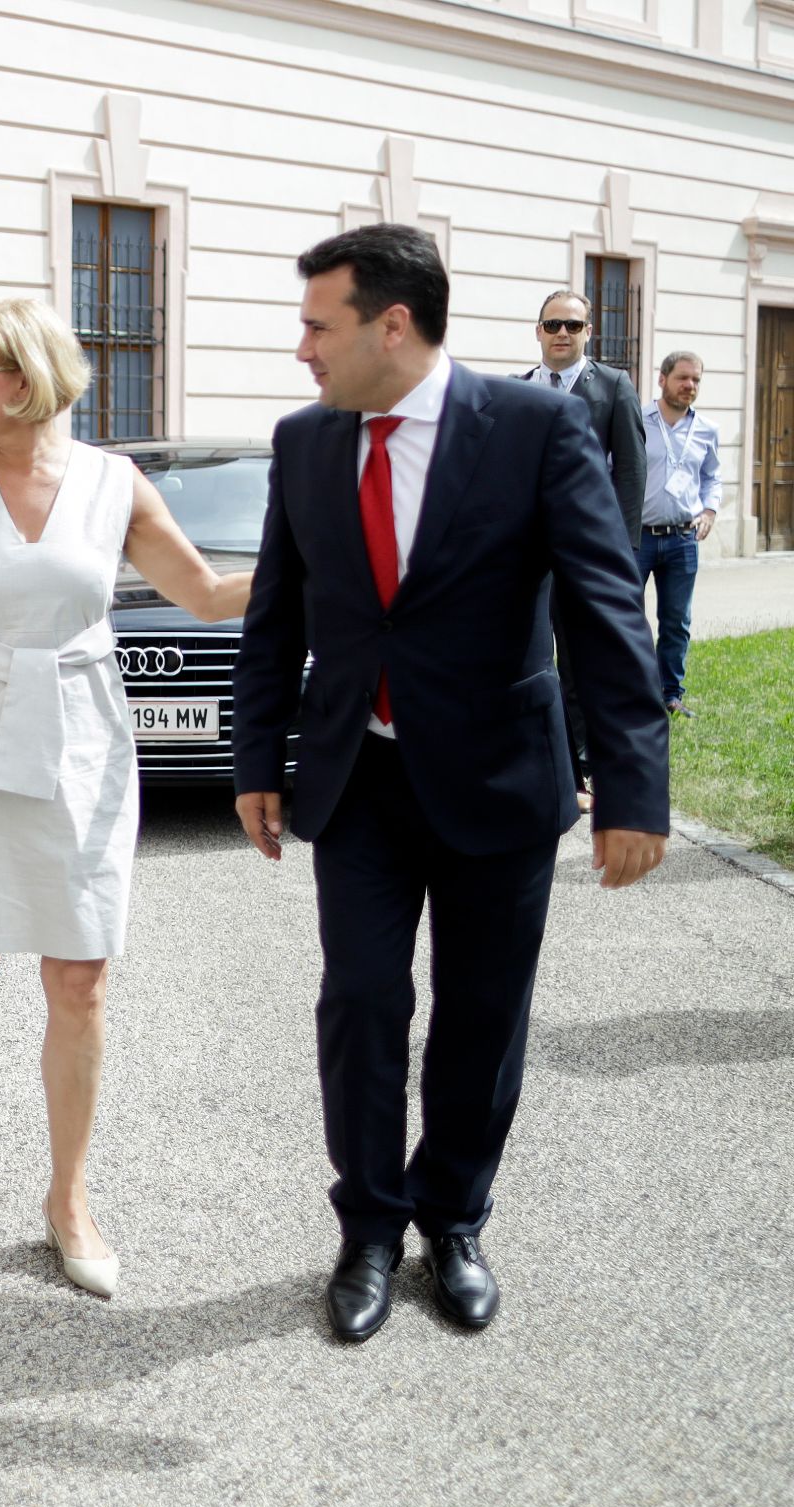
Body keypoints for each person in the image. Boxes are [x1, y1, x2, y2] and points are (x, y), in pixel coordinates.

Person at [232, 225, 669, 1345]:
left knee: (480, 1017)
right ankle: (369, 1224)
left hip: (497, 778)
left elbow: (602, 608)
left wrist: (630, 789)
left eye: (315, 325)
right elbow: (277, 612)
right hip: (360, 782)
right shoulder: (304, 443)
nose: (301, 351)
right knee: (363, 1003)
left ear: (390, 323)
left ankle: (454, 1218)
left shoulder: (531, 427)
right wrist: (256, 760)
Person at [0, 298, 251, 1299]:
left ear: (24, 379)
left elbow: (204, 595)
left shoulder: (113, 485)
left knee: (79, 980)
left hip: (81, 739)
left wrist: (317, 563)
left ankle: (65, 1197)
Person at [517, 290, 647, 813]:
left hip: (585, 555)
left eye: (573, 324)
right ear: (539, 331)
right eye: (553, 324)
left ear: (589, 330)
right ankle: (549, 764)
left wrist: (617, 557)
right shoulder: (518, 389)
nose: (562, 333)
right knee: (530, 661)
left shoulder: (613, 386)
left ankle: (587, 768)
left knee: (580, 663)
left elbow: (631, 473)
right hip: (525, 557)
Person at [639, 351, 722, 719]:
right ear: (662, 379)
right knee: (627, 616)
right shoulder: (637, 420)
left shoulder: (707, 430)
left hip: (682, 540)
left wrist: (710, 509)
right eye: (682, 378)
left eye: (696, 380)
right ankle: (632, 690)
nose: (689, 386)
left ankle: (670, 694)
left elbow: (712, 477)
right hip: (637, 537)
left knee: (676, 622)